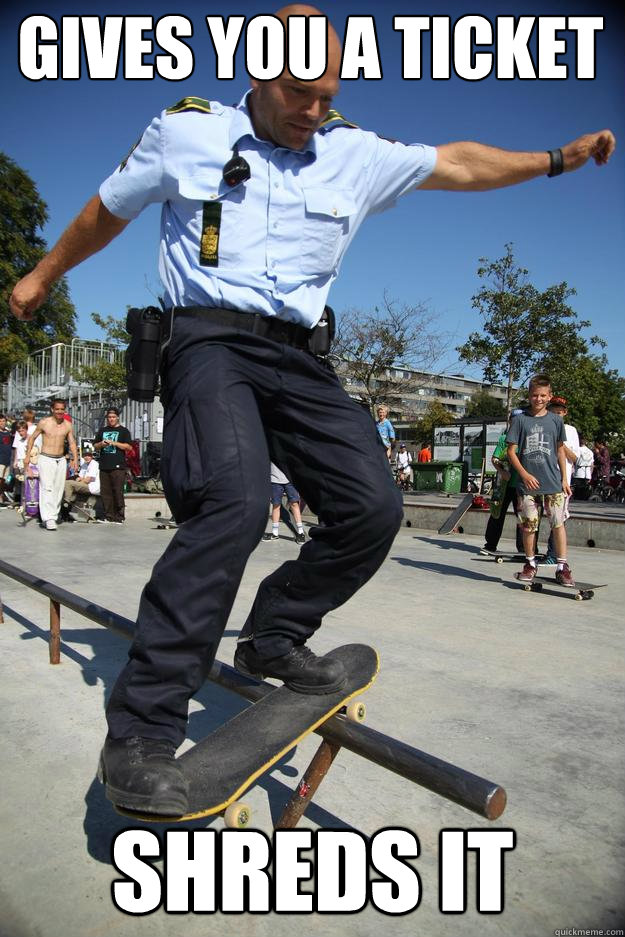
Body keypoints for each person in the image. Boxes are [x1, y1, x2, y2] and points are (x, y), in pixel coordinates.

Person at [9, 4, 614, 815]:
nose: (314, 111)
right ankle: (142, 731)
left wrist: (551, 159)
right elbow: (103, 211)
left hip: (299, 356)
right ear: (259, 73)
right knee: (233, 502)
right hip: (209, 342)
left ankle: (274, 634)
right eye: (300, 93)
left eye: (328, 94)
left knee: (372, 506)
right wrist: (42, 277)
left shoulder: (351, 151)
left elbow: (458, 163)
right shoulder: (186, 132)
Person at [507, 374, 574, 586]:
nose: (539, 399)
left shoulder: (556, 420)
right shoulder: (520, 420)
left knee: (558, 523)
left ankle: (562, 567)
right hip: (527, 485)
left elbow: (560, 450)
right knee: (529, 526)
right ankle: (530, 563)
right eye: (535, 395)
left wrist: (564, 478)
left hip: (553, 482)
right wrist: (524, 475)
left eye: (543, 395)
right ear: (529, 395)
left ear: (550, 396)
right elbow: (511, 452)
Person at [24, 399, 78, 531]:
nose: (59, 411)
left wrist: (75, 458)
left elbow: (71, 442)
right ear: (52, 410)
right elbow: (32, 438)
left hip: (61, 459)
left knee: (58, 489)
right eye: (57, 409)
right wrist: (27, 456)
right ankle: (48, 518)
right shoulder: (44, 422)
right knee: (47, 488)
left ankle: (53, 514)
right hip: (46, 458)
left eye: (62, 409)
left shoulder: (68, 425)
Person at [482, 409, 525, 555]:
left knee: (523, 516)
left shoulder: (526, 438)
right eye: (514, 420)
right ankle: (490, 544)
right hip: (504, 485)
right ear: (510, 421)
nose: (516, 423)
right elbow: (494, 459)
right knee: (497, 513)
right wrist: (502, 471)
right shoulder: (504, 439)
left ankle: (524, 548)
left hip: (521, 485)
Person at [543, 396, 580, 564]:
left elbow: (574, 457)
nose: (556, 415)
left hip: (561, 480)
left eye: (560, 412)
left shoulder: (570, 430)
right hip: (544, 476)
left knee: (559, 517)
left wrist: (561, 443)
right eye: (553, 412)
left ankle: (554, 554)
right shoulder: (544, 427)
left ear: (565, 413)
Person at [93, 409, 132, 524]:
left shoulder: (124, 431)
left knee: (117, 491)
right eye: (109, 417)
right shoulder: (102, 430)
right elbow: (95, 445)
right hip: (104, 465)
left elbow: (128, 447)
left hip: (118, 466)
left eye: (113, 417)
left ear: (117, 417)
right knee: (106, 492)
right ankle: (108, 516)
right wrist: (101, 444)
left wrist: (114, 443)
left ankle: (119, 516)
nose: (111, 419)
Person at [263, 462, 306, 543]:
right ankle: (275, 534)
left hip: (289, 480)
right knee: (276, 505)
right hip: (274, 480)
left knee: (294, 504)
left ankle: (301, 533)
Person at [63, 450, 101, 515]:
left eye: (88, 455)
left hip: (92, 487)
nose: (86, 457)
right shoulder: (84, 464)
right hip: (86, 485)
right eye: (85, 456)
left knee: (68, 483)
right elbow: (79, 478)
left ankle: (66, 503)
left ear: (92, 456)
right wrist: (80, 480)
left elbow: (88, 480)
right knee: (67, 483)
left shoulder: (94, 464)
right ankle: (66, 503)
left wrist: (80, 480)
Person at [0, 414, 13, 507]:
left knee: (5, 480)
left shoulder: (8, 433)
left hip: (7, 460)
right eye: (0, 421)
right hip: (0, 460)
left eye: (3, 421)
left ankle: (1, 496)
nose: (2, 423)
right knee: (0, 480)